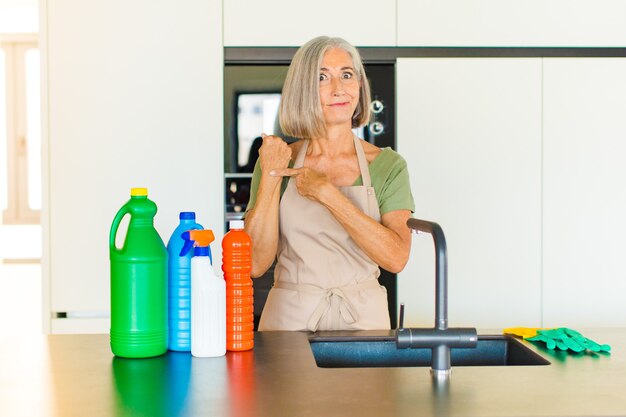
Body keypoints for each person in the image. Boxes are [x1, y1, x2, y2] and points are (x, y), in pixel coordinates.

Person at [244, 36, 415, 331]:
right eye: (322, 77)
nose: (339, 89)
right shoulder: (278, 161)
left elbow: (396, 258)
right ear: (304, 91)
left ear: (359, 87)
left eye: (347, 75)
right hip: (288, 323)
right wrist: (271, 175)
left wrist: (328, 195)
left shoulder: (388, 166)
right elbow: (255, 264)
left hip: (364, 322)